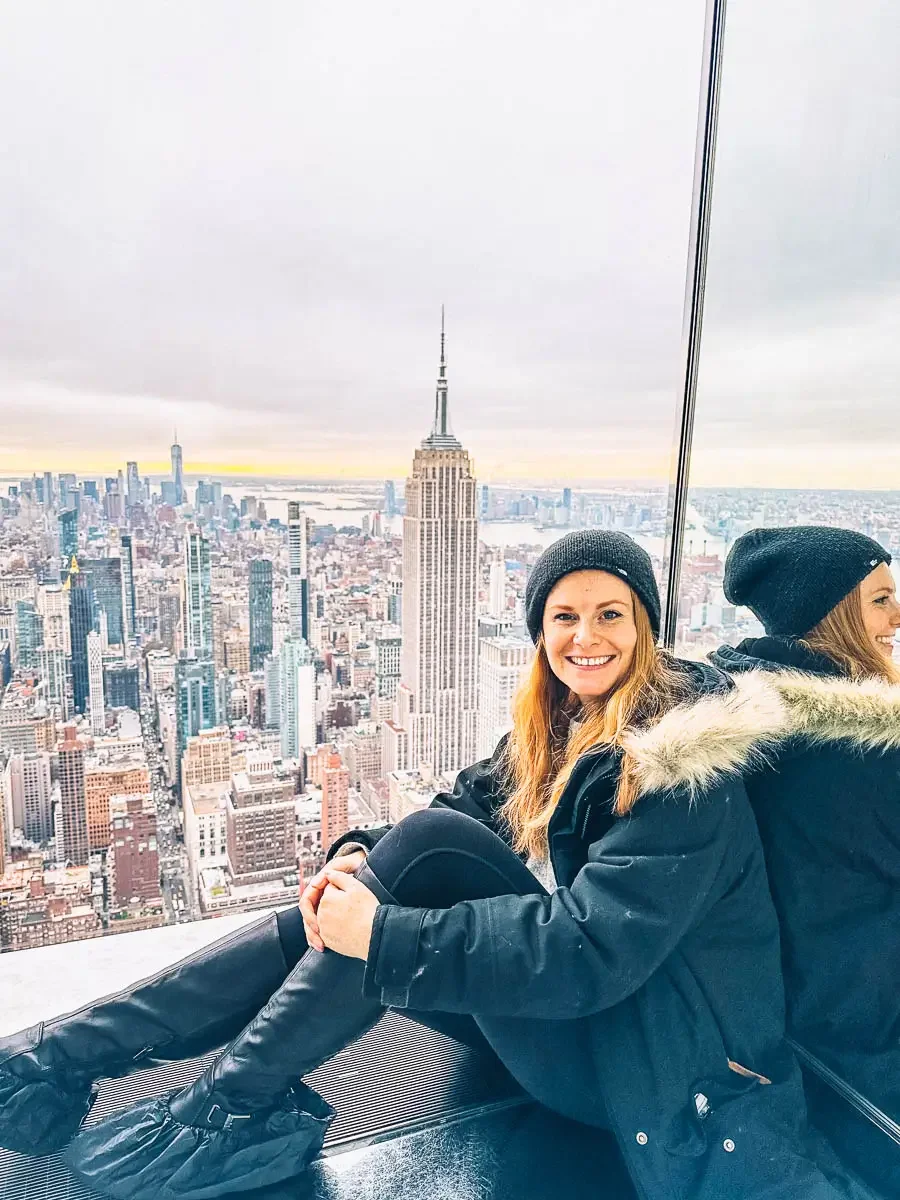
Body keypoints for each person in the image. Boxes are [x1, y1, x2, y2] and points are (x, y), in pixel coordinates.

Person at [0, 531, 869, 1200]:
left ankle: (220, 1104)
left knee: (400, 882)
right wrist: (356, 863)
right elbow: (461, 813)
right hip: (606, 1025)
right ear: (539, 633)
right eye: (564, 616)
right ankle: (63, 1057)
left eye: (612, 613)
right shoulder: (566, 721)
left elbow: (585, 952)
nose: (587, 635)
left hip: (645, 1070)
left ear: (645, 626)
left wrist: (383, 932)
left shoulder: (689, 768)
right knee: (398, 863)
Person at [708, 525, 900, 1188]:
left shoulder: (721, 706)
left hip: (770, 1026)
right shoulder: (874, 754)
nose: (897, 617)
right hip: (867, 1037)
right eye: (879, 600)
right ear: (833, 616)